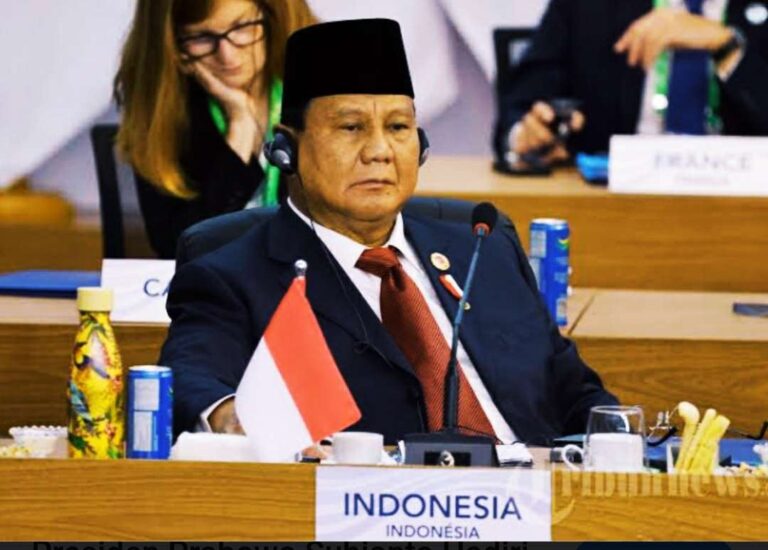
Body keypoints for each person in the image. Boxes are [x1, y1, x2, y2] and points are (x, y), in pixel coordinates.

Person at [160, 18, 618, 447]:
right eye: (351, 128)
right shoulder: (232, 275)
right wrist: (239, 424)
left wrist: (619, 439)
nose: (379, 151)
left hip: (537, 490)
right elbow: (192, 380)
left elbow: (573, 390)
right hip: (373, 496)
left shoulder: (483, 246)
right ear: (287, 148)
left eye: (398, 127)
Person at [114, 0, 316, 259]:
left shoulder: (318, 96)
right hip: (217, 280)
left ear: (271, 18)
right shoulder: (165, 115)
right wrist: (240, 125)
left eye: (241, 27)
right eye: (201, 37)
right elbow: (177, 247)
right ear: (173, 46)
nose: (227, 56)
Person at [494, 0, 768, 166]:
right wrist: (529, 135)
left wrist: (729, 48)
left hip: (743, 210)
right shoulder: (585, 6)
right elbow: (520, 106)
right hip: (612, 205)